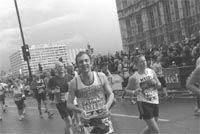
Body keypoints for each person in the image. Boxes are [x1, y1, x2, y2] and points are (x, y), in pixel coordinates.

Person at [67, 51, 114, 134]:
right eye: (81, 62)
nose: (84, 63)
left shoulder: (101, 76)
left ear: (90, 62)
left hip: (103, 119)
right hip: (87, 122)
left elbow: (110, 94)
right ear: (77, 65)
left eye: (86, 60)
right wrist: (80, 110)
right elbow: (69, 104)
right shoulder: (74, 83)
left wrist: (107, 106)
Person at [125, 54, 162, 134]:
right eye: (141, 62)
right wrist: (134, 92)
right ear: (136, 64)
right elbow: (126, 90)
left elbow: (159, 85)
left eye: (144, 61)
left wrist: (156, 83)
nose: (144, 63)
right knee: (155, 130)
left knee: (151, 127)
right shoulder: (134, 77)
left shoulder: (151, 71)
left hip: (155, 101)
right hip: (144, 104)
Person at [48, 62, 74, 134]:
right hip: (60, 102)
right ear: (56, 69)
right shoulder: (53, 79)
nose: (61, 68)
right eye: (59, 66)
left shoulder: (69, 77)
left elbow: (74, 87)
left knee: (69, 123)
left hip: (69, 101)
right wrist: (53, 91)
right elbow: (48, 89)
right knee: (69, 122)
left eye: (62, 66)